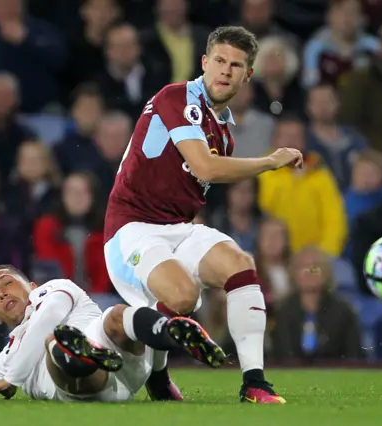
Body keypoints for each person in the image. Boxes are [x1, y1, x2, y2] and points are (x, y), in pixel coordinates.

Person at [104, 25, 302, 404]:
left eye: (236, 65)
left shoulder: (224, 131)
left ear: (248, 76)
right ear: (204, 63)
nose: (226, 71)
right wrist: (271, 162)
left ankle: (255, 383)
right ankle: (156, 375)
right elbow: (206, 168)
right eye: (220, 62)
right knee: (183, 297)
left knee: (240, 264)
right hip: (132, 228)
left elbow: (194, 186)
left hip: (178, 228)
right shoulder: (177, 97)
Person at [0, 265, 224, 401]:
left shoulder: (54, 292)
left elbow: (48, 314)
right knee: (57, 346)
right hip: (91, 384)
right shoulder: (4, 358)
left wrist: (15, 379)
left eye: (7, 283)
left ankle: (171, 334)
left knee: (116, 315)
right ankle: (99, 354)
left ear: (32, 285)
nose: (2, 293)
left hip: (122, 351)